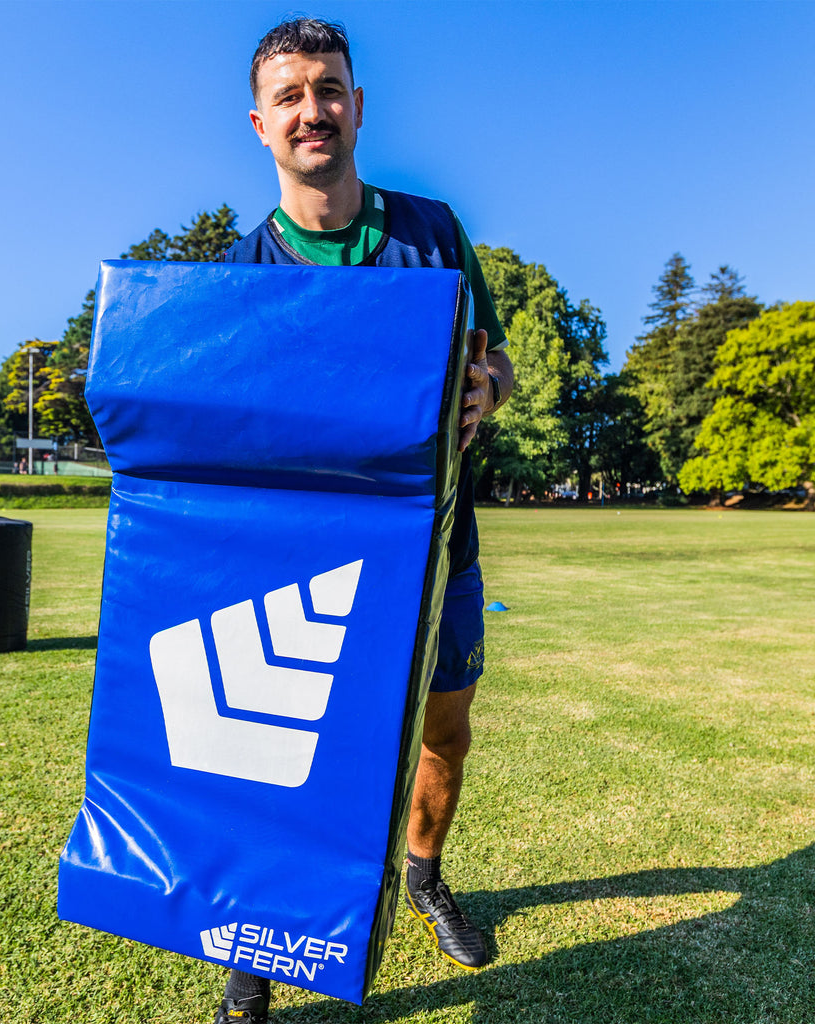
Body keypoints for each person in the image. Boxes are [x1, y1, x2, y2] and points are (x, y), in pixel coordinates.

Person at [212, 18, 515, 1024]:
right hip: (299, 560)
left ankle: (421, 873)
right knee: (275, 745)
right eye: (291, 95)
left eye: (328, 89)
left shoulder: (430, 231)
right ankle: (252, 948)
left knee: (444, 726)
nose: (313, 109)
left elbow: (495, 361)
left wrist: (486, 394)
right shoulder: (242, 269)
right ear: (260, 123)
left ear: (357, 106)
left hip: (438, 548)